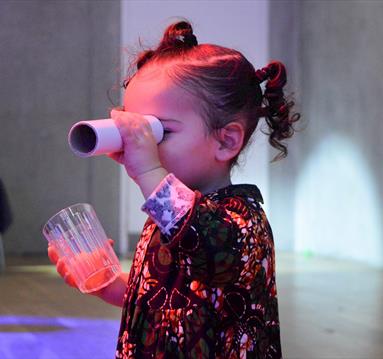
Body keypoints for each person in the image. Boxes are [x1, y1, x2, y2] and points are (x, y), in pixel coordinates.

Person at [48, 20, 301, 359]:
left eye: (159, 132)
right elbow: (176, 300)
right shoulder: (169, 217)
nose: (141, 146)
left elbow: (209, 251)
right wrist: (114, 286)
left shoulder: (242, 221)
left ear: (225, 140)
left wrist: (149, 170)